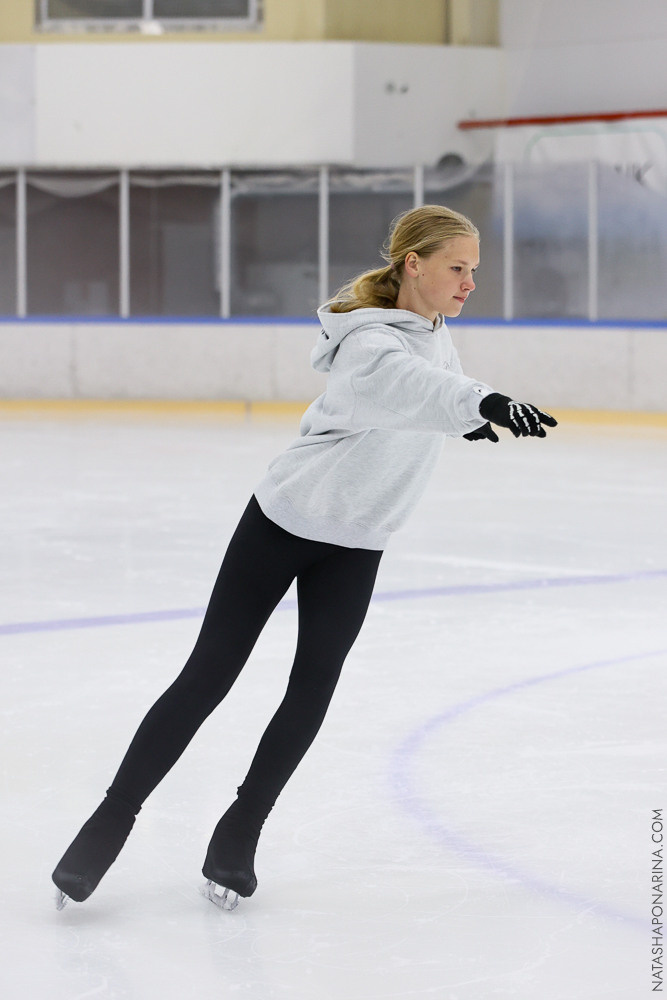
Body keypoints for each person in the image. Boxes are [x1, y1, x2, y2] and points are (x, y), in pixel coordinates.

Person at [52, 204, 557, 911]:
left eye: (474, 270)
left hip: (358, 540)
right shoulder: (368, 339)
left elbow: (429, 393)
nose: (470, 282)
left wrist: (465, 418)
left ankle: (239, 830)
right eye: (457, 267)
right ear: (413, 264)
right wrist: (483, 402)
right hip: (286, 520)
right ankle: (109, 820)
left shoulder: (438, 337)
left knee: (311, 689)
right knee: (209, 675)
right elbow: (402, 386)